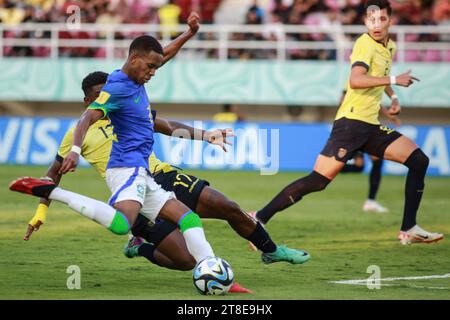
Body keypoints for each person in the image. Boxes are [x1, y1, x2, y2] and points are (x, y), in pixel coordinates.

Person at [10, 14, 218, 270]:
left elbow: (164, 55)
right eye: (150, 67)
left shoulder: (137, 76)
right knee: (122, 225)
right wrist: (75, 150)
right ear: (134, 59)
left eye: (155, 67)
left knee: (189, 219)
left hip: (142, 170)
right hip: (125, 168)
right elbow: (87, 117)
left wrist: (190, 33)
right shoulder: (117, 88)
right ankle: (53, 192)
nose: (153, 72)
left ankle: (210, 266)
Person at [250, 0, 443, 245]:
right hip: (351, 124)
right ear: (365, 22)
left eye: (381, 19)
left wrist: (393, 97)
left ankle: (409, 227)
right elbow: (356, 80)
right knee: (318, 181)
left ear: (390, 21)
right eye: (371, 20)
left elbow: (377, 80)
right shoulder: (364, 43)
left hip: (369, 125)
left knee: (419, 160)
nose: (376, 25)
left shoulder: (389, 47)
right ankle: (259, 217)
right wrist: (395, 79)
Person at [339, 87, 402, 213]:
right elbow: (343, 100)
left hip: (363, 126)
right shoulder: (356, 79)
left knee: (365, 164)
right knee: (364, 164)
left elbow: (373, 101)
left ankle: (370, 201)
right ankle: (324, 171)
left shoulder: (366, 79)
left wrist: (387, 114)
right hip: (354, 126)